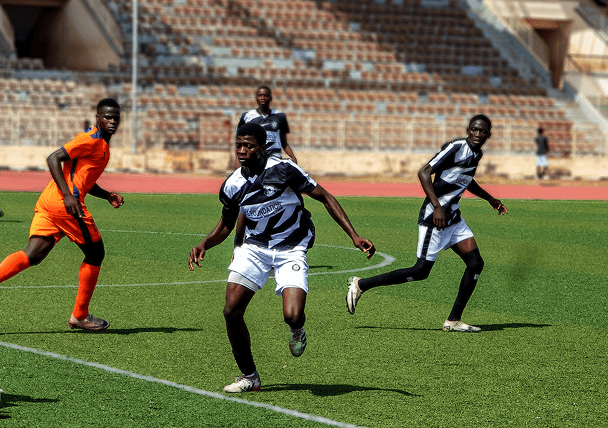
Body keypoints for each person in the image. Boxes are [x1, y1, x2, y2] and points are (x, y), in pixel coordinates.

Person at [188, 123, 375, 393]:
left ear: (262, 147)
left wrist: (354, 236)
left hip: (292, 246)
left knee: (293, 314)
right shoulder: (232, 185)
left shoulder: (284, 169)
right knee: (231, 311)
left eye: (249, 146)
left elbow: (325, 197)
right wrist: (205, 243)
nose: (242, 151)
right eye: (238, 145)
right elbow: (227, 223)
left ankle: (297, 329)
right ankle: (249, 377)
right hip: (254, 248)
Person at [0, 99, 125, 329]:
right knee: (95, 253)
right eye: (107, 117)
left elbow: (82, 179)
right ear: (97, 118)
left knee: (34, 254)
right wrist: (68, 195)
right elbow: (53, 158)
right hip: (66, 206)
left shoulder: (101, 144)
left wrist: (106, 195)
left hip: (51, 202)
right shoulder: (90, 140)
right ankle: (80, 315)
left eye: (115, 118)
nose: (112, 121)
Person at [346, 114, 509, 333]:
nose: (478, 134)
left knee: (475, 263)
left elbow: (466, 180)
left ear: (489, 134)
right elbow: (424, 172)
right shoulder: (456, 147)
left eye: (483, 131)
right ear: (468, 129)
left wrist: (490, 199)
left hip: (454, 218)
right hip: (435, 217)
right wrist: (437, 207)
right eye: (475, 129)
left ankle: (453, 321)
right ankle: (361, 285)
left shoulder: (476, 153)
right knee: (421, 271)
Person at [237, 85, 296, 163]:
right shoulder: (247, 116)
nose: (262, 98)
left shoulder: (280, 116)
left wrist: (292, 157)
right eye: (260, 95)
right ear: (256, 98)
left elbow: (283, 142)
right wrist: (238, 160)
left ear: (271, 98)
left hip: (275, 158)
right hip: (255, 159)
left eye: (266, 95)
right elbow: (240, 142)